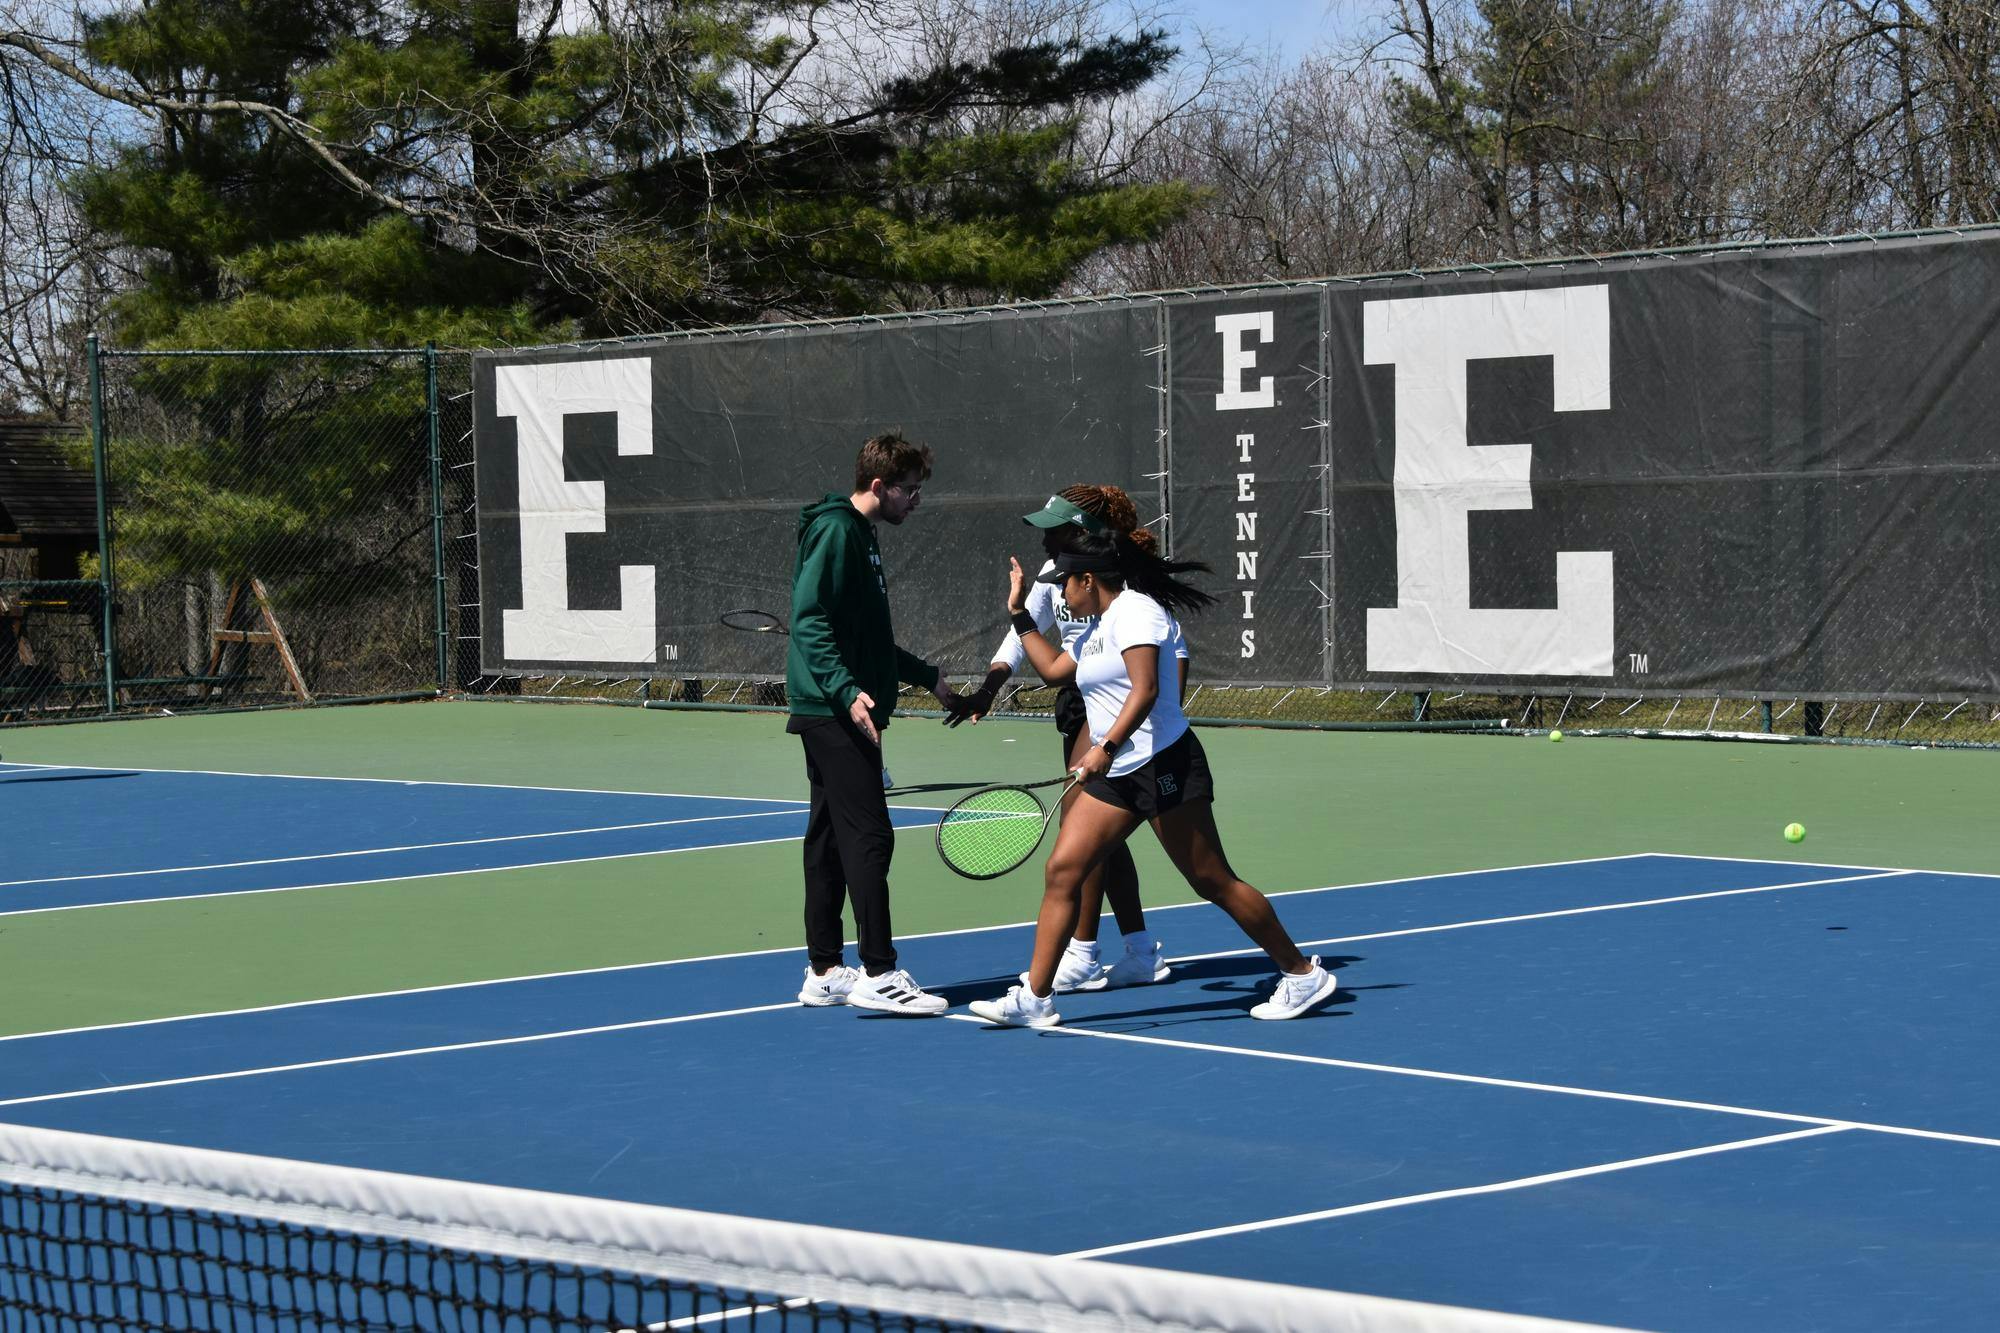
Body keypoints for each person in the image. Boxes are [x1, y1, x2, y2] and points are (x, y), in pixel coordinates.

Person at [967, 531, 1337, 1028]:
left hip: (1164, 764)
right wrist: (1019, 615)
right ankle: (1035, 998)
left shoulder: (1137, 612)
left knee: (1212, 880)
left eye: (1065, 583)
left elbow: (1147, 690)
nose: (1062, 592)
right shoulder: (1094, 627)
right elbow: (1055, 669)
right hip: (1116, 775)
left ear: (1087, 579)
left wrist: (1105, 747)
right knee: (1063, 870)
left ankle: (1301, 973)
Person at [951, 487, 1182, 992]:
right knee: (1101, 839)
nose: (1044, 541)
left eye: (1054, 530)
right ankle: (1138, 950)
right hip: (1081, 693)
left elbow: (1165, 659)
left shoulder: (1124, 583)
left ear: (1083, 533)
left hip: (1119, 706)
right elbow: (1023, 630)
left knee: (1086, 833)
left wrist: (1134, 729)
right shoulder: (1055, 575)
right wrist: (989, 688)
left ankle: (1082, 952)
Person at [788, 432, 961, 1016]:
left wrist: (926, 676)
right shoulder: (838, 531)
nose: (916, 500)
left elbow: (866, 637)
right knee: (870, 837)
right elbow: (809, 620)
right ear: (879, 486)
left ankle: (825, 970)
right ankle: (880, 973)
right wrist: (845, 691)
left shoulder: (859, 533)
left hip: (835, 706)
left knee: (831, 840)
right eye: (910, 491)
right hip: (834, 712)